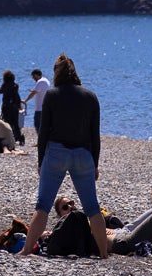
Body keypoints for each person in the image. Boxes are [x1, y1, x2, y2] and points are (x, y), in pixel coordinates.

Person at [18, 54, 108, 259]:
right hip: (83, 155)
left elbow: (43, 132)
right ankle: (103, 254)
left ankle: (26, 250)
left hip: (56, 153)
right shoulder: (90, 97)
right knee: (92, 207)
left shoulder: (52, 95)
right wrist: (95, 163)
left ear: (56, 73)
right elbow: (95, 135)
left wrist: (41, 160)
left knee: (43, 205)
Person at [0, 70, 23, 146]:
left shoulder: (5, 85)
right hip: (14, 106)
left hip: (6, 106)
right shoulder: (15, 85)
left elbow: (0, 91)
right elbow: (16, 95)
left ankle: (9, 137)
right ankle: (19, 138)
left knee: (7, 122)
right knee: (15, 123)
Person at [23, 68, 50, 133]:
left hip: (40, 109)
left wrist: (25, 101)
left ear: (37, 75)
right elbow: (39, 90)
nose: (33, 78)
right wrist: (33, 90)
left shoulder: (40, 82)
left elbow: (33, 94)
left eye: (33, 76)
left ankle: (41, 139)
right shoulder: (46, 80)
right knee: (44, 126)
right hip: (45, 107)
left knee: (37, 125)